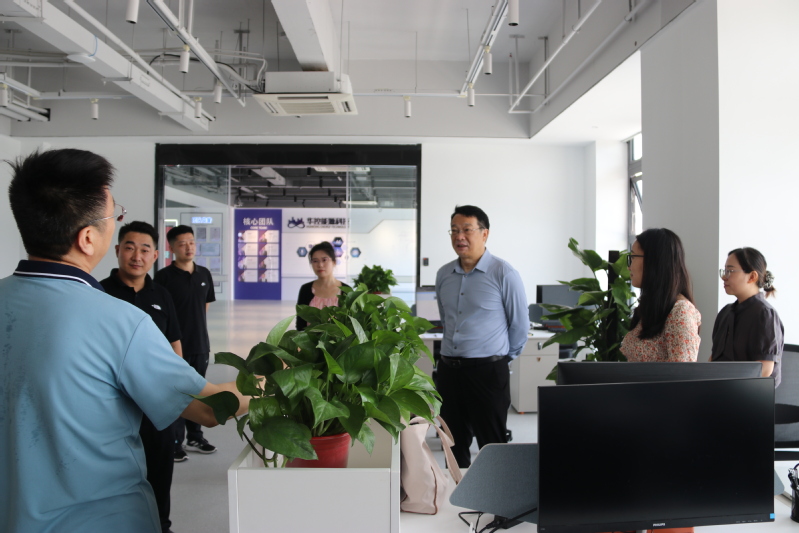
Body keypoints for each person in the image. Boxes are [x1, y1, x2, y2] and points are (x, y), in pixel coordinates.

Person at [0, 149, 250, 533]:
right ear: (88, 238)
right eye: (113, 217)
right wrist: (278, 376)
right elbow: (209, 407)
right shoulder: (119, 321)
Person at [100, 221, 183, 533]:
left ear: (155, 255)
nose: (137, 256)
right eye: (130, 248)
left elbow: (175, 345)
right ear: (117, 250)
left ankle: (161, 525)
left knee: (159, 468)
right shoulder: (99, 293)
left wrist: (178, 393)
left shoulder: (162, 294)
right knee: (112, 471)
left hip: (155, 401)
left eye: (145, 249)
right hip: (111, 404)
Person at [435, 205, 528, 468]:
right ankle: (457, 492)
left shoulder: (504, 273)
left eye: (467, 230)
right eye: (454, 230)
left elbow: (519, 326)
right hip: (449, 371)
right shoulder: (444, 274)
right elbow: (446, 320)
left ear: (484, 233)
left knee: (492, 445)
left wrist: (499, 359)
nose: (459, 236)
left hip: (487, 372)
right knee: (452, 443)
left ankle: (497, 493)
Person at [154, 225, 217, 461]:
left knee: (198, 392)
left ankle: (195, 437)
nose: (188, 247)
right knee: (177, 393)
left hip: (200, 345)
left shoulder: (204, 274)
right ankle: (175, 441)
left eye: (191, 242)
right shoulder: (164, 277)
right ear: (172, 248)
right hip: (174, 346)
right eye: (182, 243)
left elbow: (204, 307)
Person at [621, 228, 701, 362]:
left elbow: (682, 372)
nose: (629, 266)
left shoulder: (680, 311)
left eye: (633, 257)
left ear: (654, 261)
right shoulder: (652, 308)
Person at [711, 247, 784, 385]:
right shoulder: (725, 312)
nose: (724, 277)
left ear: (752, 277)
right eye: (724, 271)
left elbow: (764, 369)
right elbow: (714, 359)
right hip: (720, 390)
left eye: (730, 271)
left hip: (747, 394)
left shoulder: (765, 314)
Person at [296, 241, 351, 331]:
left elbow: (350, 324)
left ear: (334, 262)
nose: (320, 265)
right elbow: (300, 324)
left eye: (324, 260)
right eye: (315, 261)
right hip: (310, 339)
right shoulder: (305, 289)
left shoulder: (346, 290)